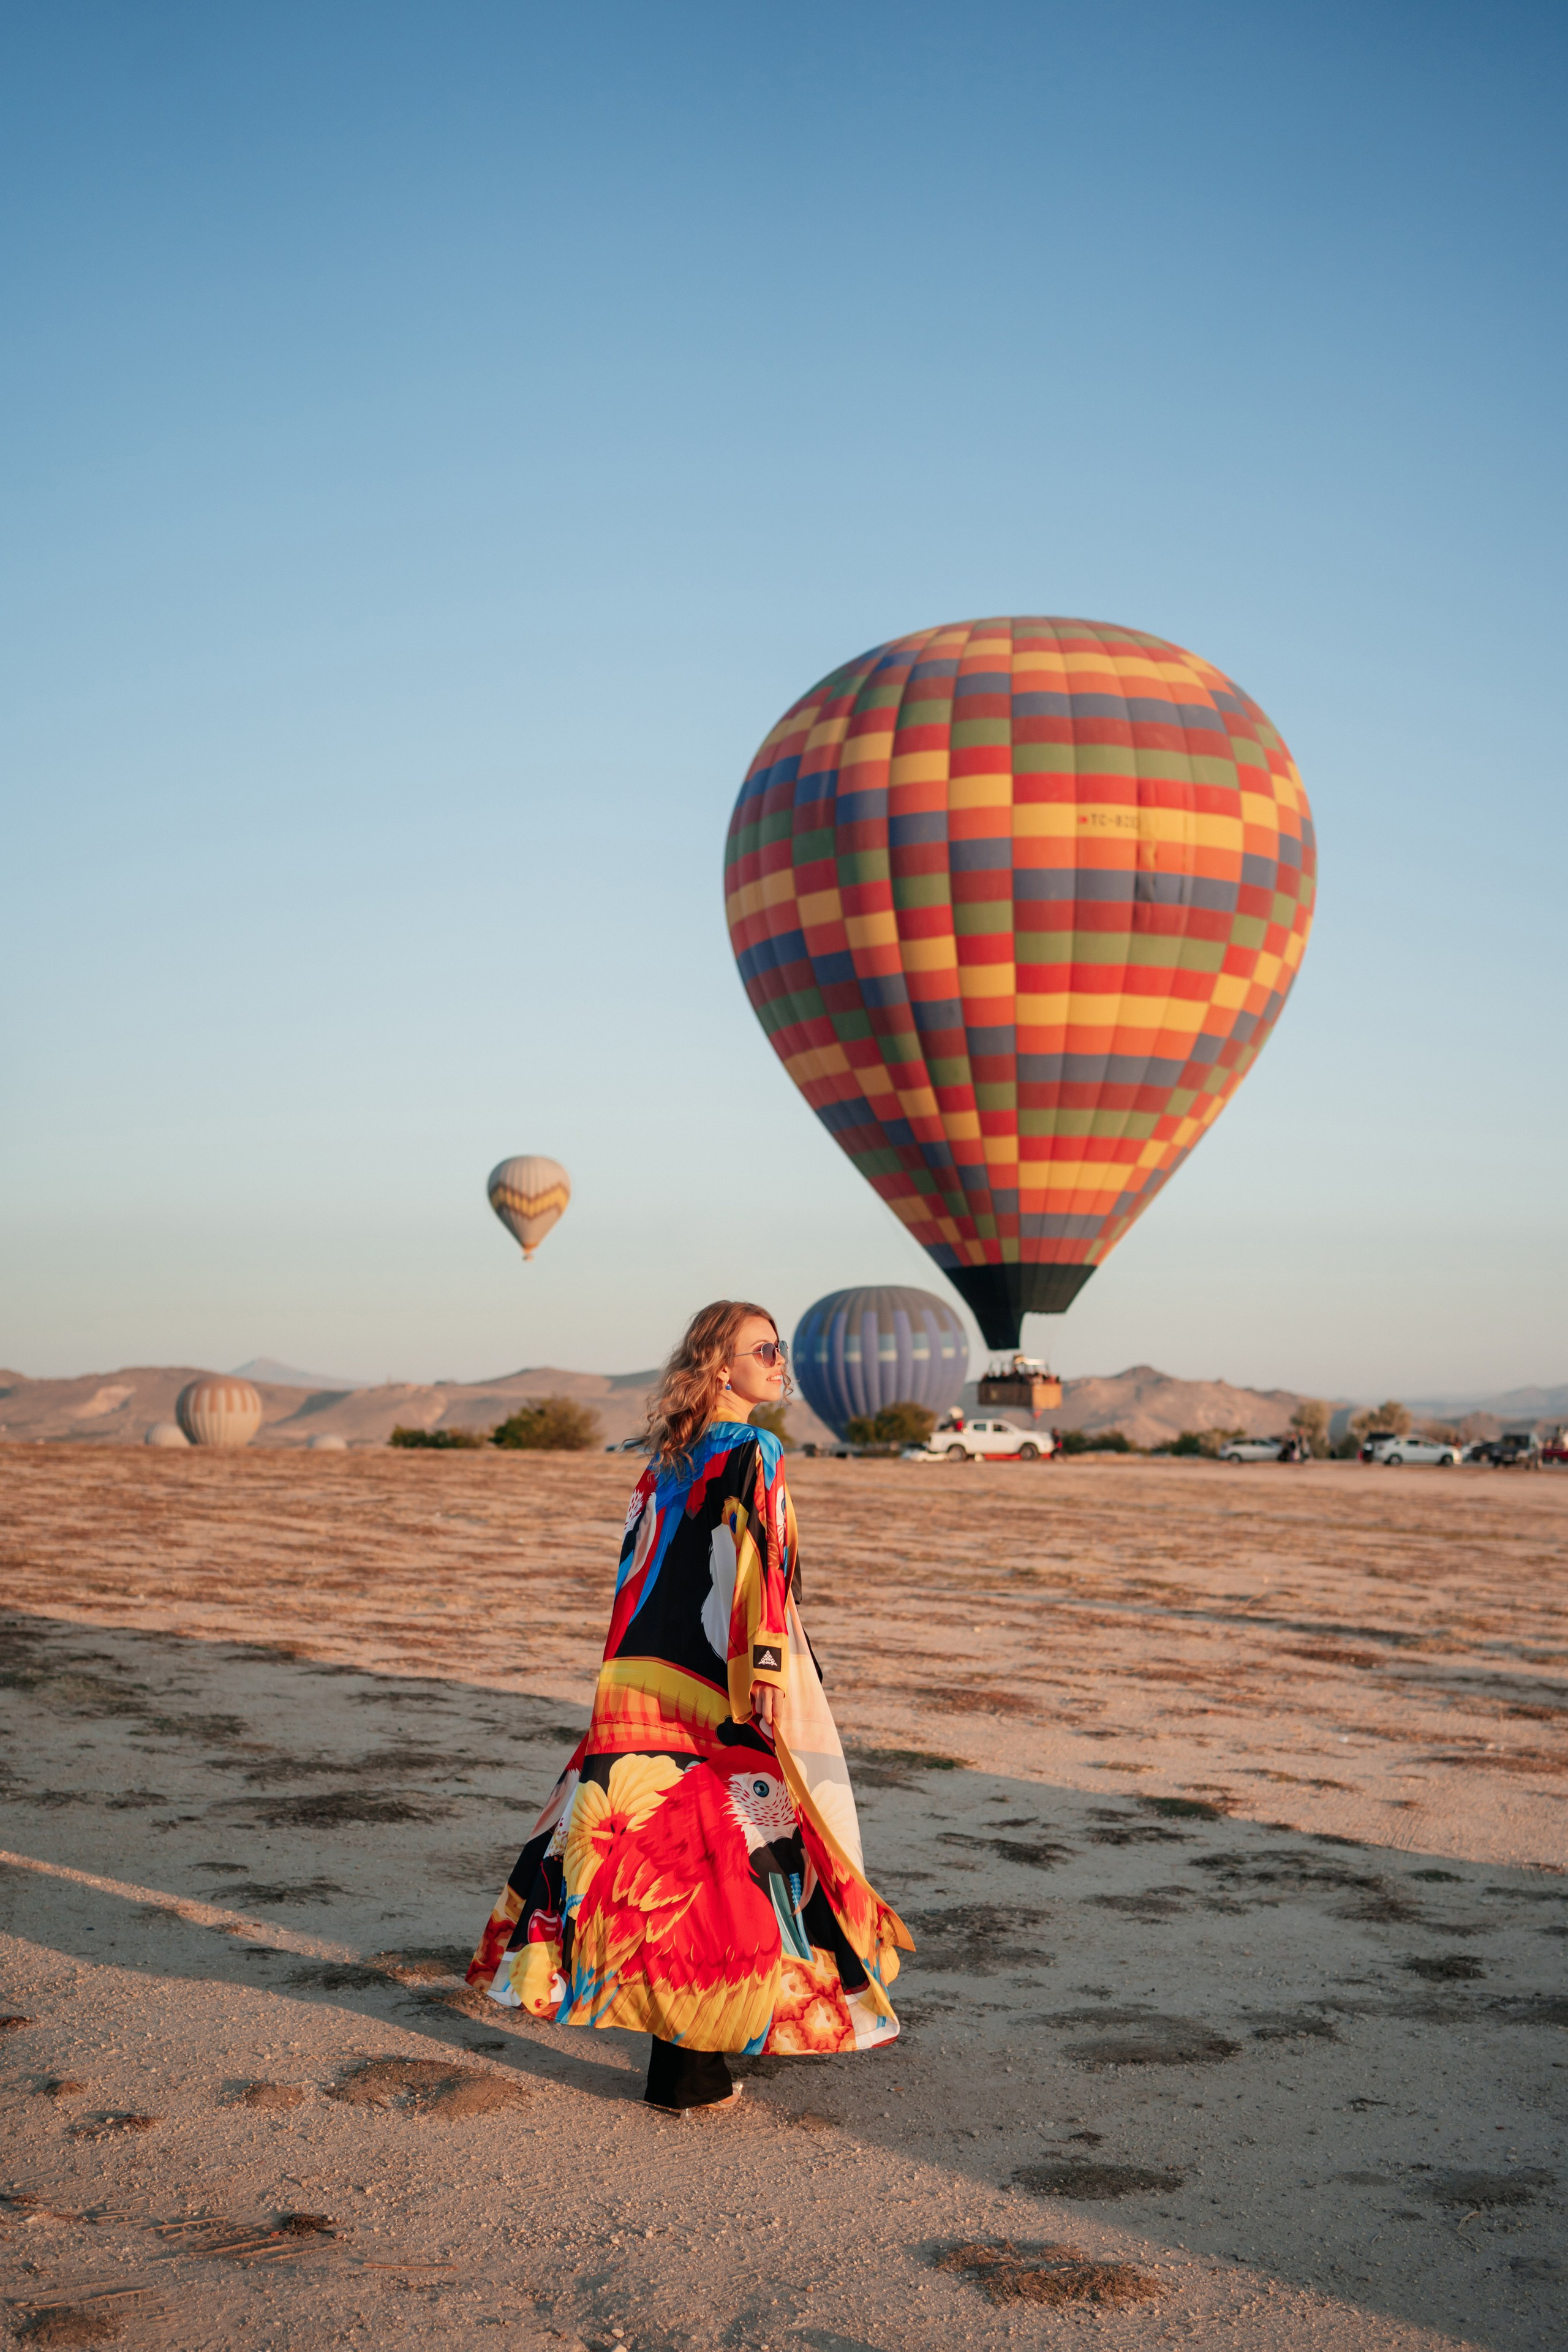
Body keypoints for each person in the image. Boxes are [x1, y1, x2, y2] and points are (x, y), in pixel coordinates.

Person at [467, 1298, 911, 2114]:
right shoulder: (753, 1449)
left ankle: (686, 2068)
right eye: (763, 1349)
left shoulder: (665, 1458)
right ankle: (695, 2067)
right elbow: (766, 1572)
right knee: (743, 1866)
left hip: (640, 1678)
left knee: (656, 1862)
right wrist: (772, 1679)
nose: (781, 1362)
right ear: (719, 1366)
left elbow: (634, 1576)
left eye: (780, 1349)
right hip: (719, 1685)